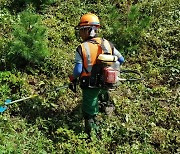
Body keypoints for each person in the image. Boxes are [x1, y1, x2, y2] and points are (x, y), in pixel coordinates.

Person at [69, 13, 124, 138]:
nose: (80, 34)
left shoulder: (82, 48)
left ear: (88, 30)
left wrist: (72, 78)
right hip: (106, 80)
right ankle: (106, 107)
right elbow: (121, 60)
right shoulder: (107, 43)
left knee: (89, 108)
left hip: (89, 84)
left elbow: (78, 71)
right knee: (103, 92)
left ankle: (93, 134)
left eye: (81, 30)